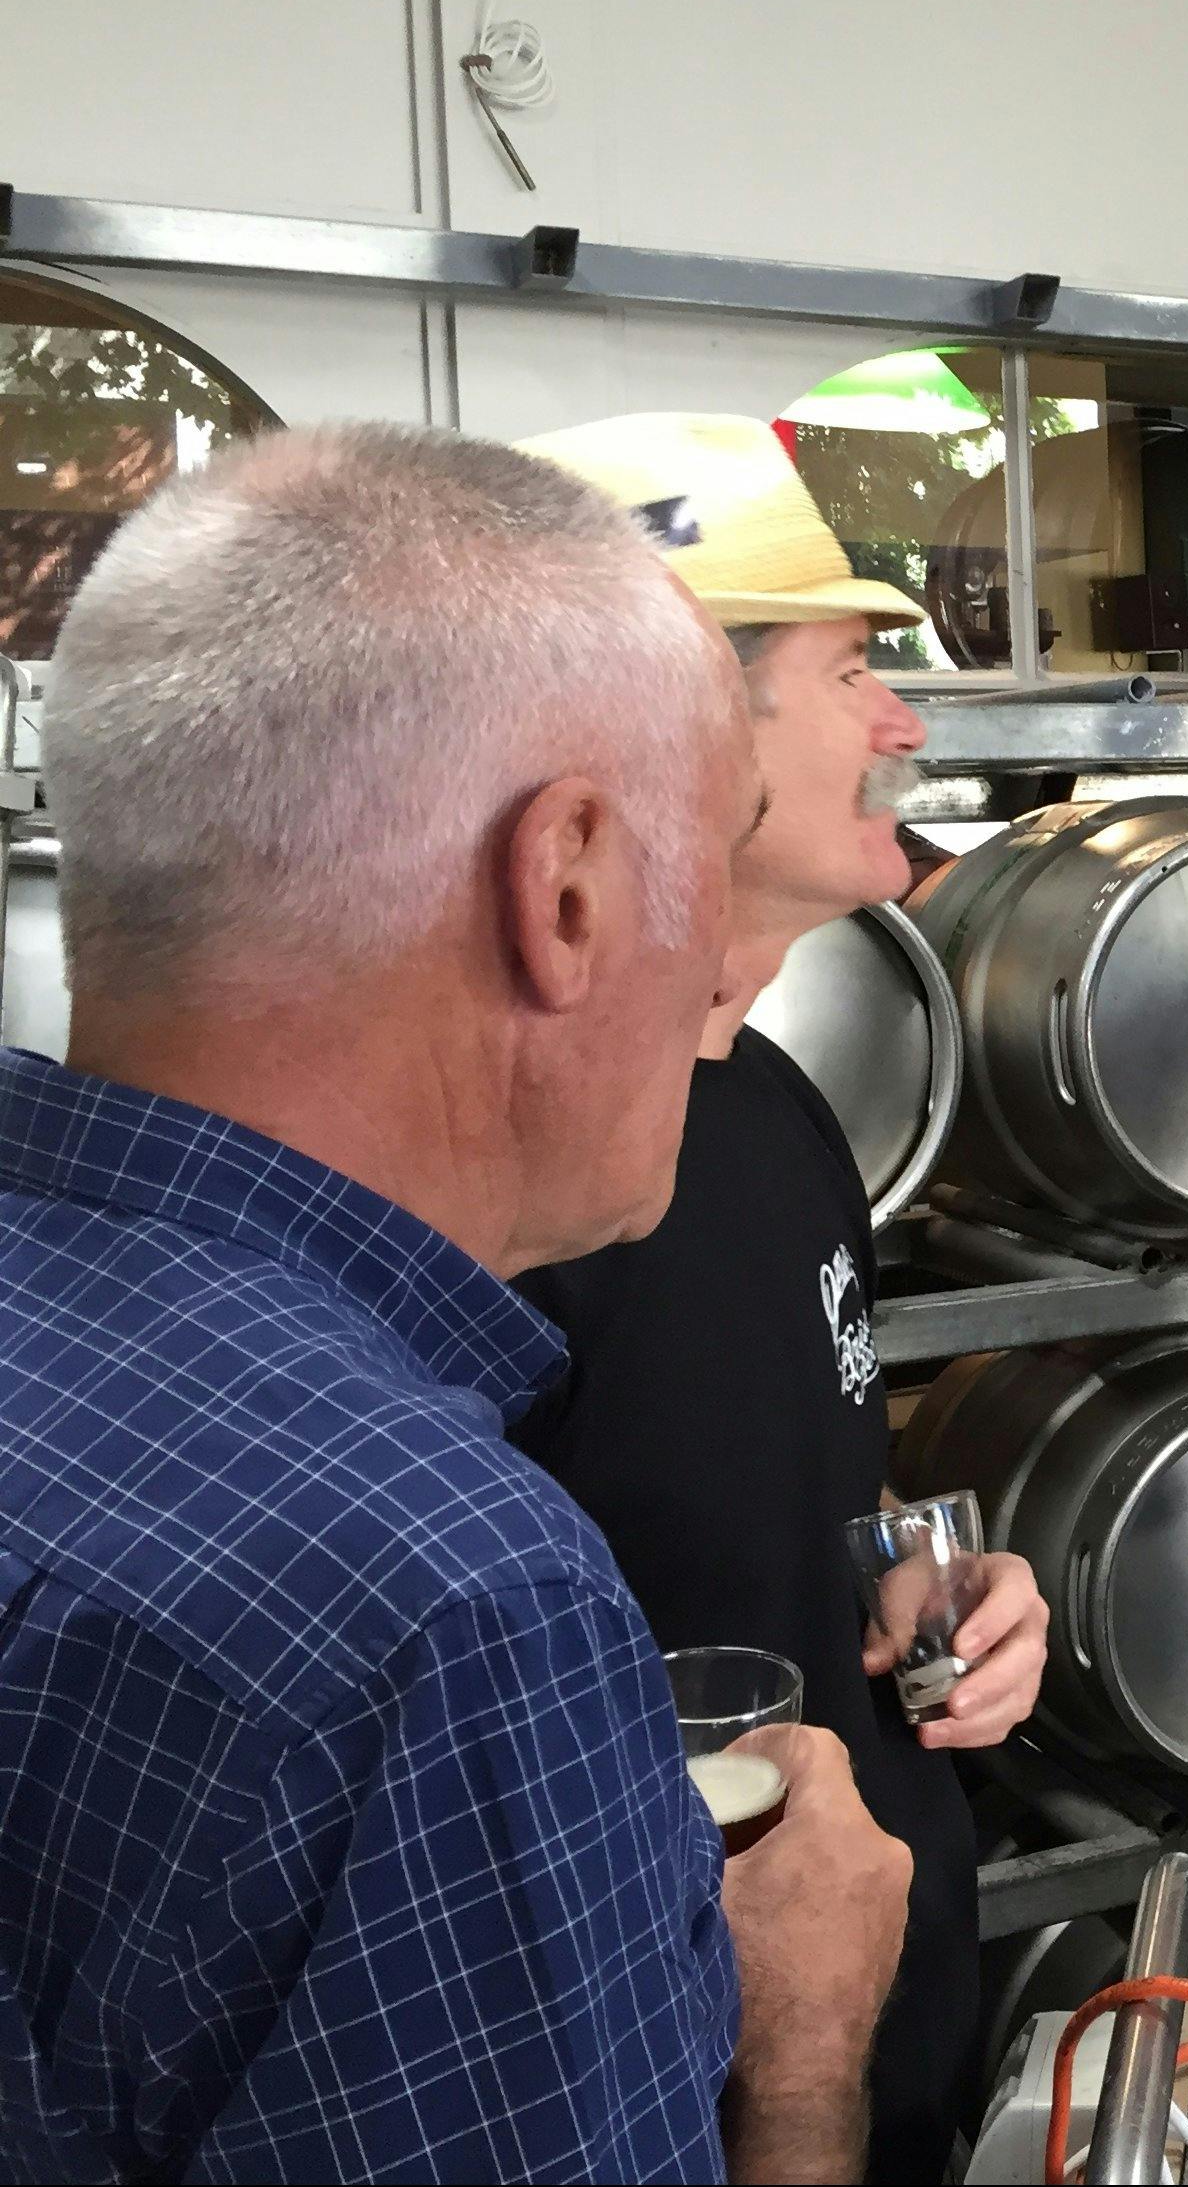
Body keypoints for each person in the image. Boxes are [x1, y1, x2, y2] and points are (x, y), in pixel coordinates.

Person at [0, 424, 912, 2182]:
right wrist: (801, 2057)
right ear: (563, 887)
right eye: (708, 857)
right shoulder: (447, 1604)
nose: (713, 977)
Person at [506, 413, 1052, 2184]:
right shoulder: (518, 1194)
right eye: (850, 672)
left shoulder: (783, 1107)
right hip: (681, 2093)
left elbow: (812, 1482)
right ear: (677, 724)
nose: (905, 726)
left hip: (879, 2036)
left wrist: (924, 1577)